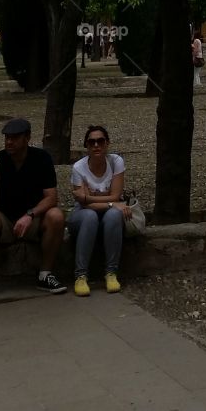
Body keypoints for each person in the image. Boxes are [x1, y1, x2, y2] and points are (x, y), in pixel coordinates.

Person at [0, 117, 66, 302]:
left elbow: (51, 197)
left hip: (32, 218)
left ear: (27, 138)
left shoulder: (41, 158)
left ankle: (45, 274)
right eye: (7, 137)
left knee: (56, 216)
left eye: (14, 137)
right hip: (4, 219)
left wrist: (30, 214)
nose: (9, 142)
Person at [68, 125, 133, 296]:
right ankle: (80, 275)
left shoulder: (116, 162)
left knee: (113, 215)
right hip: (82, 216)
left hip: (105, 215)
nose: (96, 145)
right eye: (91, 142)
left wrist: (89, 197)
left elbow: (116, 194)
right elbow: (85, 205)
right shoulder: (78, 168)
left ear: (107, 143)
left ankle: (111, 273)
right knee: (90, 216)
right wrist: (110, 201)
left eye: (100, 141)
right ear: (86, 146)